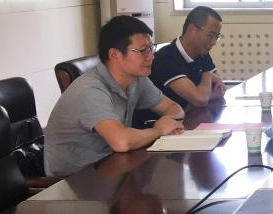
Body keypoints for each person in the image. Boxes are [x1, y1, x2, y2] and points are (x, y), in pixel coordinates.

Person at [43, 15, 185, 178]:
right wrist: (159, 130)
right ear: (114, 55)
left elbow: (175, 109)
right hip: (74, 181)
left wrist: (167, 121)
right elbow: (121, 142)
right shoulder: (89, 90)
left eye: (151, 48)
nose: (151, 56)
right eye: (143, 50)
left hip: (111, 167)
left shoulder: (137, 80)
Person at [150, 5, 226, 109]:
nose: (214, 42)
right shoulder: (166, 58)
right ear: (192, 29)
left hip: (191, 114)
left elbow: (219, 89)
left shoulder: (202, 54)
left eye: (217, 37)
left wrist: (200, 96)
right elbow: (199, 99)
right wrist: (207, 75)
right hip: (164, 118)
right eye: (210, 35)